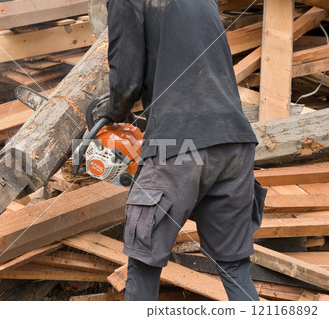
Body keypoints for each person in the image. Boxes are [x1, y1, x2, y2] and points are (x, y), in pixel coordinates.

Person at [99, 0, 263, 301]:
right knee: (234, 266)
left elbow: (125, 80)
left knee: (144, 261)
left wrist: (112, 112)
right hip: (235, 142)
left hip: (179, 145)